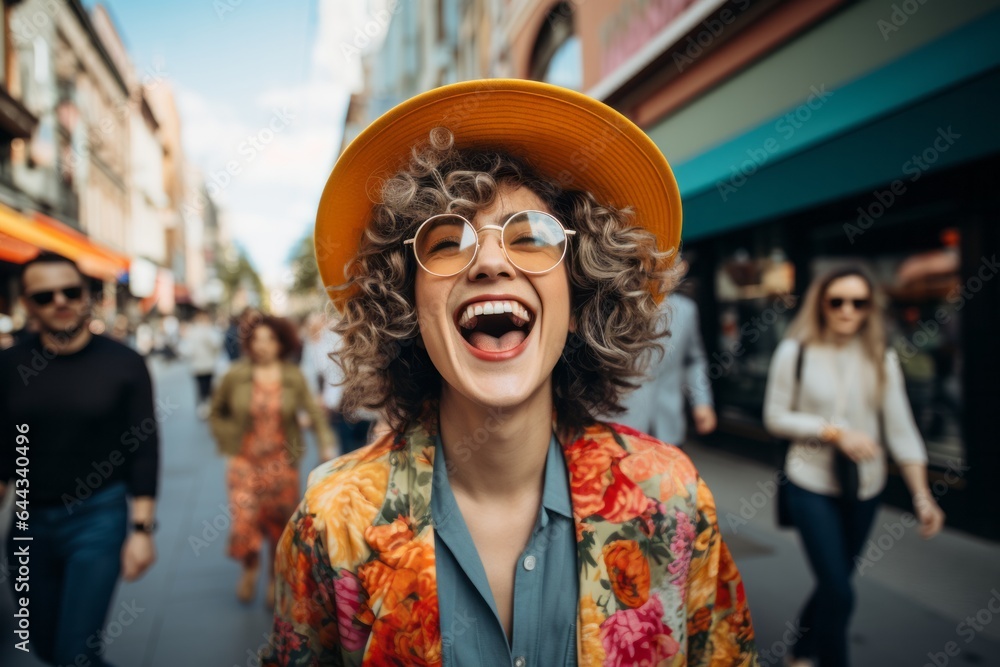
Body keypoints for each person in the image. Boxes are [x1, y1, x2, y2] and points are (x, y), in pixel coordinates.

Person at [260, 79, 758, 665]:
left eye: (533, 237)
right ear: (407, 309)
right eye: (447, 242)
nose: (492, 261)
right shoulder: (330, 522)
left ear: (579, 301)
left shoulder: (671, 498)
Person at [763, 265, 945, 667]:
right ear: (822, 304)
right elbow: (775, 418)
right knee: (840, 593)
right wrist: (832, 432)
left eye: (858, 302)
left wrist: (922, 496)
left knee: (836, 584)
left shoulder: (882, 357)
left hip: (865, 487)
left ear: (869, 308)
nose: (847, 310)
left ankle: (801, 649)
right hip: (809, 482)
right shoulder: (795, 352)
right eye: (837, 301)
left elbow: (902, 431)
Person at [0, 252, 158, 666]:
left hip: (98, 517)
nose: (60, 301)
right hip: (27, 523)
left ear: (87, 295)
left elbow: (144, 447)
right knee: (44, 647)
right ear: (27, 303)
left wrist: (141, 529)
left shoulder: (124, 363)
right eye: (45, 295)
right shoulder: (9, 366)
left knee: (75, 652)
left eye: (70, 291)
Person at [209, 314, 336, 608]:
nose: (263, 346)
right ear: (249, 344)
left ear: (281, 343)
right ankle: (250, 568)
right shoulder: (236, 374)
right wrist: (228, 443)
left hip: (282, 463)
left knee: (280, 526)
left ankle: (273, 578)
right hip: (245, 462)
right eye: (257, 340)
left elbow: (314, 413)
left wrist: (326, 443)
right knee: (245, 522)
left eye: (270, 339)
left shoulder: (292, 376)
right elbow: (217, 411)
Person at [620, 259, 716, 444]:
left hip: (669, 425)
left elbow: (694, 360)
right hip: (623, 425)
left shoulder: (687, 310)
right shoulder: (621, 305)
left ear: (682, 268)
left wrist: (702, 401)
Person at [180, 308, 223, 418]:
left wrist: (206, 335)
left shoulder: (211, 331)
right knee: (200, 388)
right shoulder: (192, 332)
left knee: (209, 387)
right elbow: (188, 349)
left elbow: (217, 345)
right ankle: (203, 407)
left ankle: (209, 406)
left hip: (209, 365)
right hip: (197, 366)